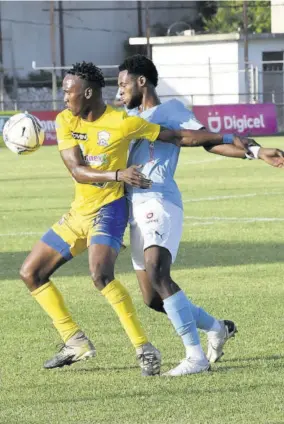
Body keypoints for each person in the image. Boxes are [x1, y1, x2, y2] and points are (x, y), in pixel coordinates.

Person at [19, 61, 246, 376]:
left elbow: (177, 136)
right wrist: (117, 173)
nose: (63, 97)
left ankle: (145, 348)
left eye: (68, 91)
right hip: (77, 212)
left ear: (86, 92)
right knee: (31, 273)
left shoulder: (122, 123)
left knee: (102, 276)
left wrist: (235, 139)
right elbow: (77, 170)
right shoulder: (63, 120)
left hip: (110, 209)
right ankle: (75, 340)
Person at [118, 54, 284, 376]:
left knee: (157, 271)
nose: (119, 92)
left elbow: (207, 139)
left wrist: (254, 151)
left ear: (142, 81)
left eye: (123, 84)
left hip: (160, 200)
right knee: (152, 298)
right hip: (133, 209)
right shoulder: (127, 119)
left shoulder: (171, 111)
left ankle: (195, 357)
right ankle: (216, 327)